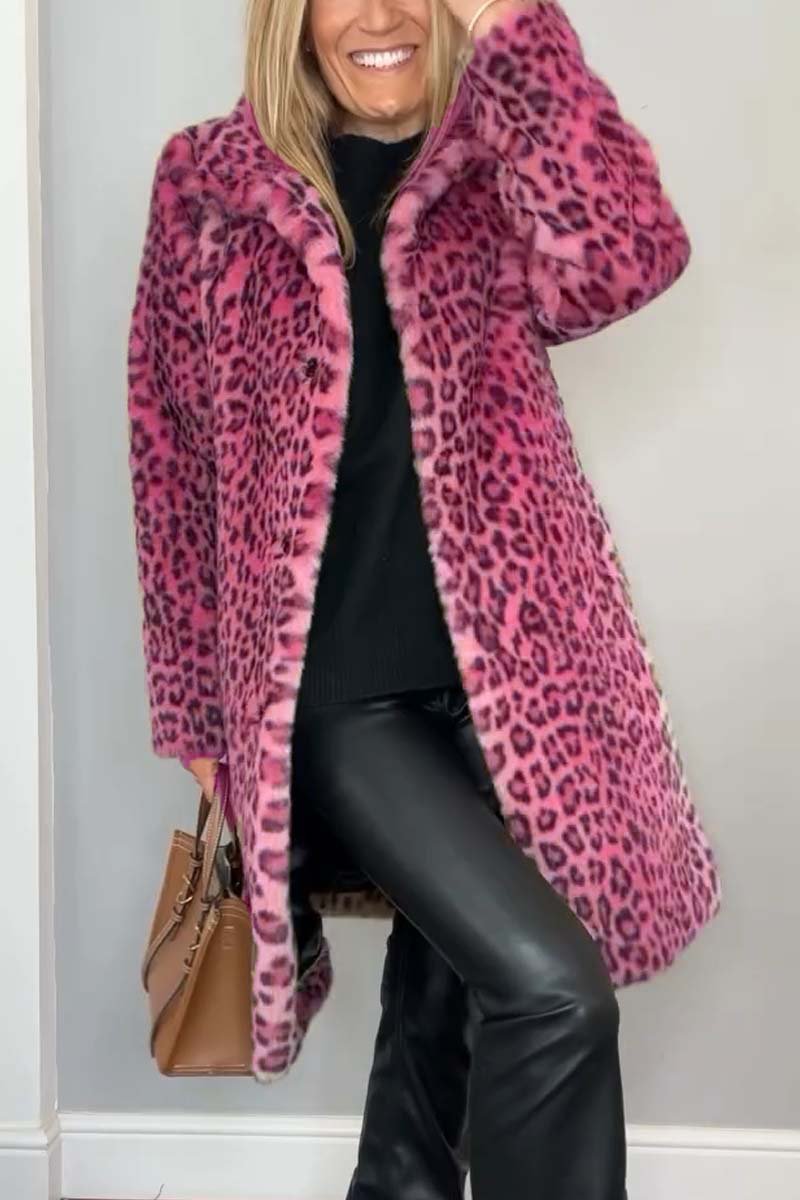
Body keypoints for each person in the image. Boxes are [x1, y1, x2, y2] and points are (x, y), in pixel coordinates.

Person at [126, 1, 723, 1197]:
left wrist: (514, 28)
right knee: (551, 992)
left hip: (515, 684)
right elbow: (170, 457)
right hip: (337, 697)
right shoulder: (211, 184)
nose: (383, 14)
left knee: (443, 998)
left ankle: (395, 1180)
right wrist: (195, 714)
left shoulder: (493, 157)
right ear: (295, 18)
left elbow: (629, 254)